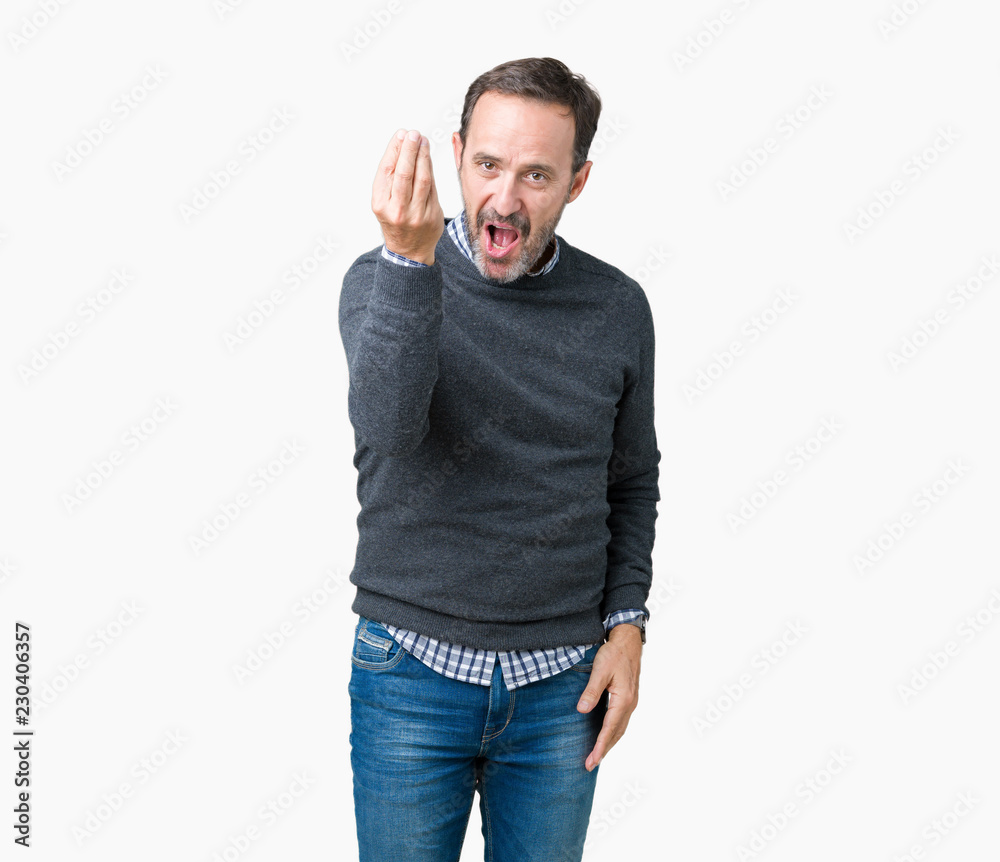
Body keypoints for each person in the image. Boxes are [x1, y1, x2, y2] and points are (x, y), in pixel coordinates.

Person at [338, 56, 660, 861]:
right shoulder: (381, 280)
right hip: (409, 674)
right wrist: (408, 263)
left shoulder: (618, 308)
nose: (505, 200)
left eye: (536, 175)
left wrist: (628, 627)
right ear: (456, 155)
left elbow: (631, 479)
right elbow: (389, 429)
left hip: (562, 689)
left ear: (577, 181)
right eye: (487, 165)